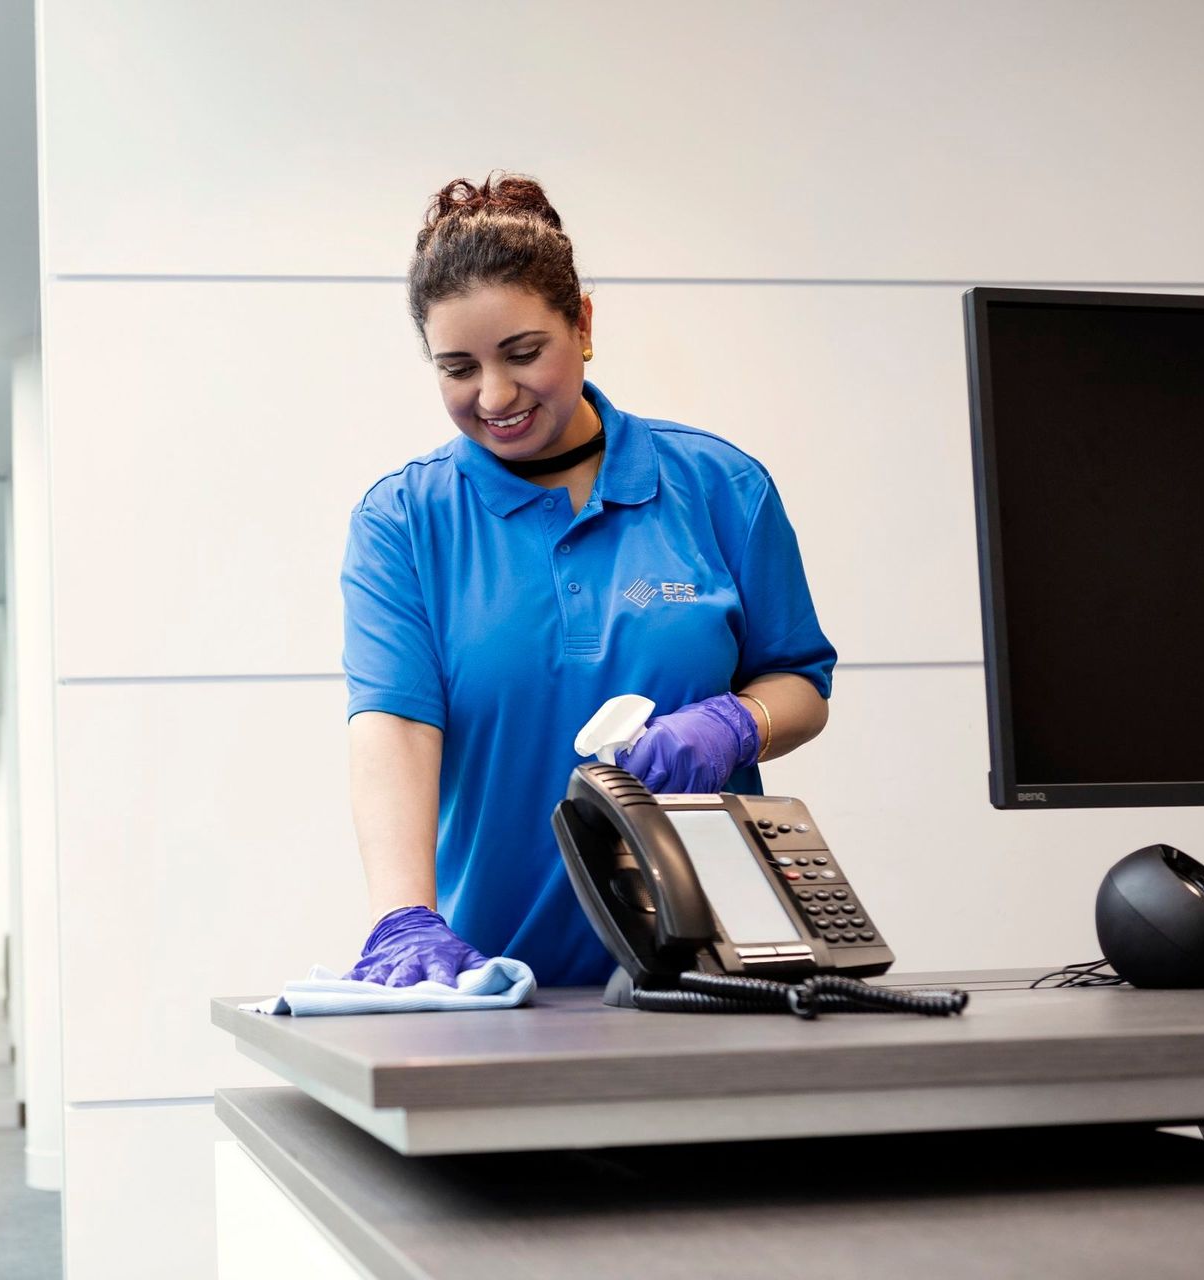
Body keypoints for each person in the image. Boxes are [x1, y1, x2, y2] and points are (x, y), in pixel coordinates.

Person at [340, 173, 836, 989]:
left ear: (584, 323)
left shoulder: (719, 486)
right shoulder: (405, 521)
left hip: (719, 974)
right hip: (501, 982)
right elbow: (394, 726)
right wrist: (402, 915)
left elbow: (802, 685)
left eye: (523, 353)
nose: (493, 396)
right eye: (457, 368)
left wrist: (736, 723)